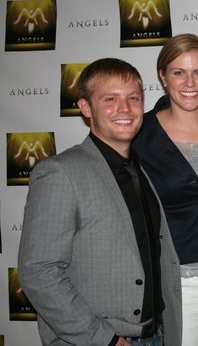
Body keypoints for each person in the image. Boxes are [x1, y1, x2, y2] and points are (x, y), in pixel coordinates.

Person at [18, 58, 182, 346]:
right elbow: (38, 272)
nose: (125, 109)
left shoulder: (140, 170)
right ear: (85, 107)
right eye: (110, 99)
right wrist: (105, 340)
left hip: (155, 336)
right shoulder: (60, 172)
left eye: (133, 98)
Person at [132, 34, 198, 346]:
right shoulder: (140, 134)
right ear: (163, 76)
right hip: (180, 286)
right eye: (179, 72)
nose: (190, 82)